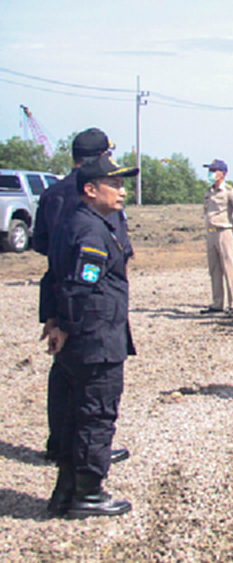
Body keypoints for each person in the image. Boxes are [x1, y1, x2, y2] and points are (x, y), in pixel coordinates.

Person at [43, 153, 138, 518]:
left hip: (84, 336)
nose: (122, 191)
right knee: (96, 416)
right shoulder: (92, 230)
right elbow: (81, 286)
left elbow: (53, 276)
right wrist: (64, 324)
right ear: (90, 188)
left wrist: (55, 320)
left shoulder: (77, 220)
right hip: (95, 339)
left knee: (73, 417)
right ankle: (88, 493)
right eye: (113, 184)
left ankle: (67, 490)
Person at [34, 128, 131, 469]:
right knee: (93, 389)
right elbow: (118, 249)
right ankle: (87, 455)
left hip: (59, 292)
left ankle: (60, 443)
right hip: (92, 305)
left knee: (63, 374)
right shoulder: (98, 199)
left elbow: (42, 246)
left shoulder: (52, 193)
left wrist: (54, 314)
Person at [201, 159, 233, 315]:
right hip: (211, 232)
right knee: (214, 269)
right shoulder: (209, 192)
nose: (210, 173)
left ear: (222, 174)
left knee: (229, 268)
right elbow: (206, 211)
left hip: (225, 232)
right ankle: (218, 302)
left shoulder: (229, 192)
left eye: (214, 170)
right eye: (210, 170)